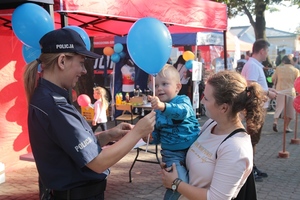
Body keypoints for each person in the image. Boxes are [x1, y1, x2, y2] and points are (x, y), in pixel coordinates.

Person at [23, 28, 156, 200]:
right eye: (81, 62)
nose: (84, 70)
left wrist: (108, 135)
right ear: (62, 61)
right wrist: (138, 131)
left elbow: (70, 148)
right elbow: (98, 162)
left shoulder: (49, 98)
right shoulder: (54, 105)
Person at [161, 70, 266, 200]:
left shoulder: (235, 148)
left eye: (206, 97)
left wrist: (176, 183)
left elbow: (216, 198)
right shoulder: (211, 124)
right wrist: (173, 164)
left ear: (223, 108)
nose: (202, 101)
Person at [147, 64, 200, 200]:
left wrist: (162, 106)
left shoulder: (183, 100)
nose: (159, 88)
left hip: (194, 149)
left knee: (195, 183)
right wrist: (149, 136)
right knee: (178, 183)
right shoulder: (157, 112)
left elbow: (181, 113)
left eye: (164, 84)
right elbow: (157, 136)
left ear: (177, 87)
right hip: (172, 155)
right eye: (156, 85)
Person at [241, 39, 277, 182]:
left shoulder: (254, 65)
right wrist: (267, 93)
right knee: (252, 139)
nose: (267, 54)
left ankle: (252, 167)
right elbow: (251, 85)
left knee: (254, 139)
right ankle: (249, 170)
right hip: (255, 107)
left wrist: (268, 90)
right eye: (267, 51)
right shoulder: (252, 66)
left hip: (258, 107)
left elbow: (255, 85)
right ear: (262, 51)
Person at [272, 55, 300, 133]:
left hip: (279, 91)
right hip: (291, 92)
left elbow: (272, 79)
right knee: (290, 111)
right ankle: (286, 127)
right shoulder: (295, 70)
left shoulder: (278, 69)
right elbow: (298, 82)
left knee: (278, 108)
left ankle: (275, 121)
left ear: (283, 61)